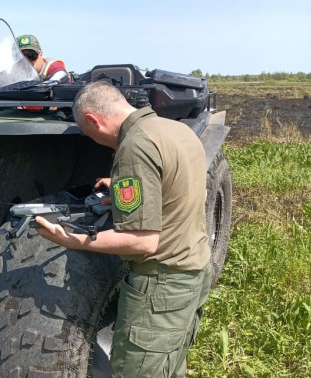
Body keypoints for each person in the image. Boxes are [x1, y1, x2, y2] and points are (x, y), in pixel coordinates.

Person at [34, 80, 212, 377]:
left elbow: (143, 242)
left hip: (161, 286)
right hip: (194, 271)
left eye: (87, 133)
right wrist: (121, 189)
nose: (91, 139)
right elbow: (191, 190)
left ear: (93, 120)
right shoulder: (176, 130)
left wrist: (74, 239)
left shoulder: (135, 146)